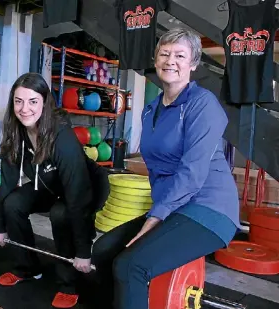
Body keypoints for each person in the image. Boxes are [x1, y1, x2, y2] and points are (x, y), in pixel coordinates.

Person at [91, 28, 241, 309]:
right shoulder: (151, 109)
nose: (171, 60)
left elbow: (191, 173)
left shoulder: (202, 104)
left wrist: (155, 217)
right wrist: (160, 211)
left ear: (193, 64)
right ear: (156, 58)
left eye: (180, 55)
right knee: (103, 251)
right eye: (165, 53)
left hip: (209, 209)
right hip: (174, 207)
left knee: (130, 265)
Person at [0, 72, 110, 309]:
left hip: (85, 188)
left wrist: (84, 251)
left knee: (61, 214)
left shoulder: (61, 137)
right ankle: (27, 268)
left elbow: (78, 197)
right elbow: (8, 182)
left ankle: (69, 283)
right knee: (13, 203)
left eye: (33, 101)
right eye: (18, 101)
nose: (25, 109)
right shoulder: (16, 132)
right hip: (48, 185)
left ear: (45, 103)